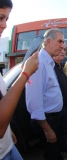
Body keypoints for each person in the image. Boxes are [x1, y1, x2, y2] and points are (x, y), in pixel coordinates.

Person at [0, 1, 39, 159]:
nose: (4, 25)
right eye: (0, 17)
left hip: (7, 146)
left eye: (6, 19)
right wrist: (25, 74)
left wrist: (9, 130)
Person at [26, 28, 65, 160]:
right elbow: (33, 103)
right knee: (52, 154)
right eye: (60, 41)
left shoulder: (48, 61)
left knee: (55, 150)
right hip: (47, 120)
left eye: (63, 42)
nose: (63, 46)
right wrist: (47, 128)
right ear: (48, 41)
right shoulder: (39, 63)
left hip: (54, 117)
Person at [52, 44, 67, 154]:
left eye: (64, 50)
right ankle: (56, 153)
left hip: (63, 106)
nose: (62, 51)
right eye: (60, 49)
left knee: (63, 129)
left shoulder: (61, 67)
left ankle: (64, 147)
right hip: (53, 109)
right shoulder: (49, 67)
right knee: (54, 133)